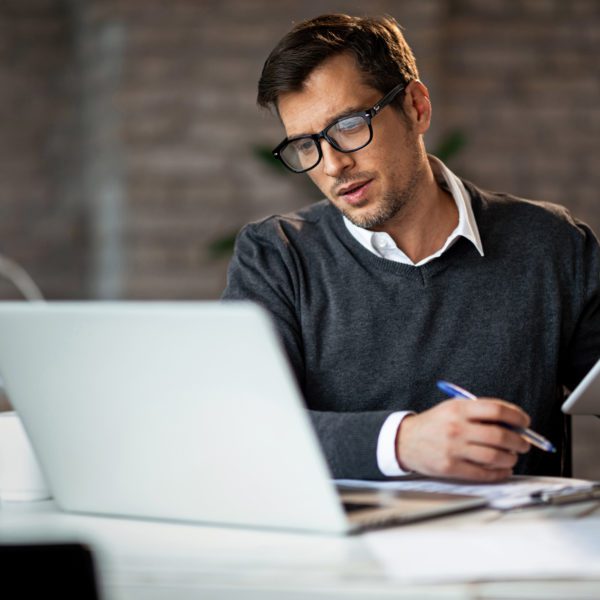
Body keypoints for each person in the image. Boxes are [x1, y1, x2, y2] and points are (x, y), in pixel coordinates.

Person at [222, 13, 600, 481]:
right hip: (353, 552)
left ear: (417, 108)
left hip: (516, 545)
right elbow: (244, 427)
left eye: (348, 125)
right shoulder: (276, 256)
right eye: (305, 145)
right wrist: (402, 443)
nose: (334, 165)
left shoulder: (551, 243)